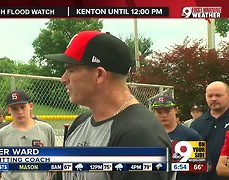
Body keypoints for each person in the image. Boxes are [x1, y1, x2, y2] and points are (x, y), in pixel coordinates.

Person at [45, 30, 172, 180]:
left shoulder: (139, 135)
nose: (63, 79)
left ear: (99, 74)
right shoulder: (80, 123)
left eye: (71, 70)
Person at [0, 90, 55, 180]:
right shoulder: (0, 135)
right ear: (8, 110)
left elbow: (53, 162)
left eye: (23, 107)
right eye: (15, 108)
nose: (20, 112)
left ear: (30, 106)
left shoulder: (46, 129)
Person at [152, 95, 202, 180]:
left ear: (176, 110)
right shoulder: (148, 134)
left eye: (167, 111)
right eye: (159, 112)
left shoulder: (191, 135)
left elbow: (203, 166)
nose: (163, 115)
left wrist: (177, 164)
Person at [191, 81, 229, 180]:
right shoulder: (197, 124)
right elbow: (192, 156)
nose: (214, 99)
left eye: (218, 95)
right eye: (210, 95)